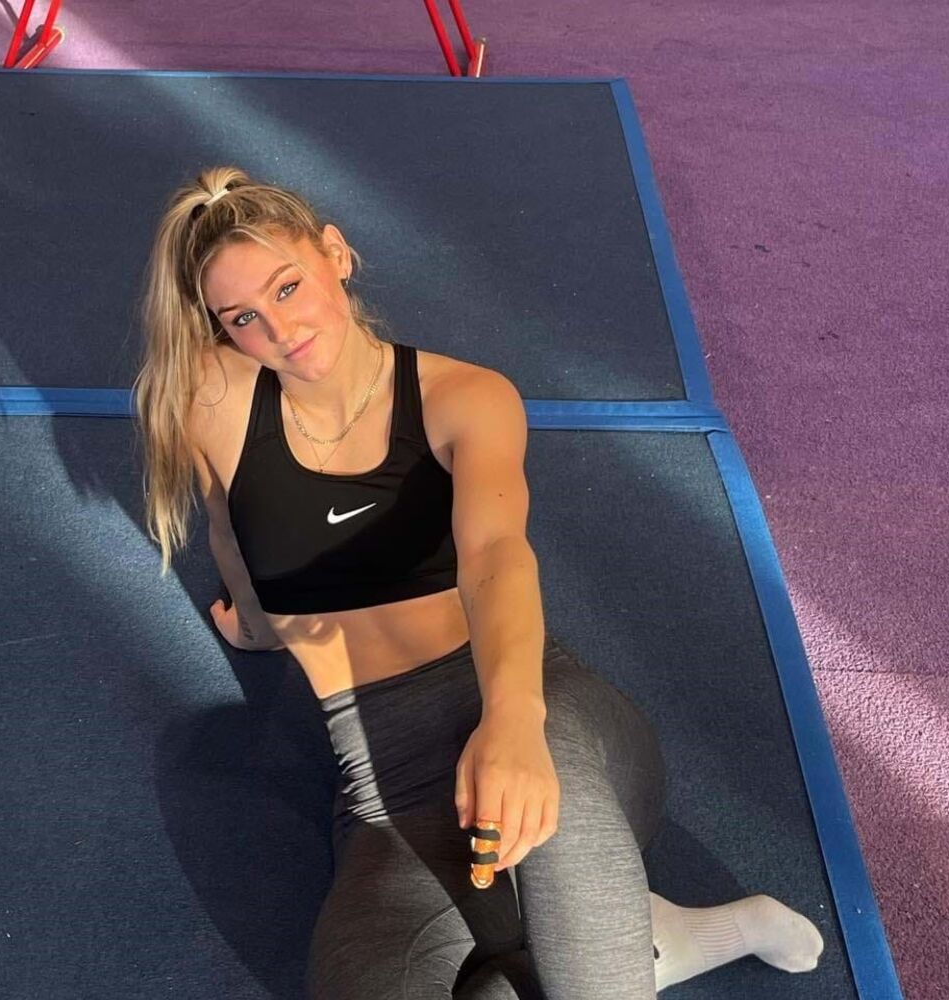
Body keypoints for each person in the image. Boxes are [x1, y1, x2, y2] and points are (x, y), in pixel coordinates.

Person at [132, 165, 825, 999]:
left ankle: (610, 937)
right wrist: (251, 622)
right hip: (385, 793)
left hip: (538, 712)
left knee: (558, 821)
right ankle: (652, 937)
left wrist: (515, 722)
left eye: (289, 286)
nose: (279, 328)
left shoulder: (465, 398)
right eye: (243, 316)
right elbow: (229, 526)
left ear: (336, 254)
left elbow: (499, 555)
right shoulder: (213, 398)